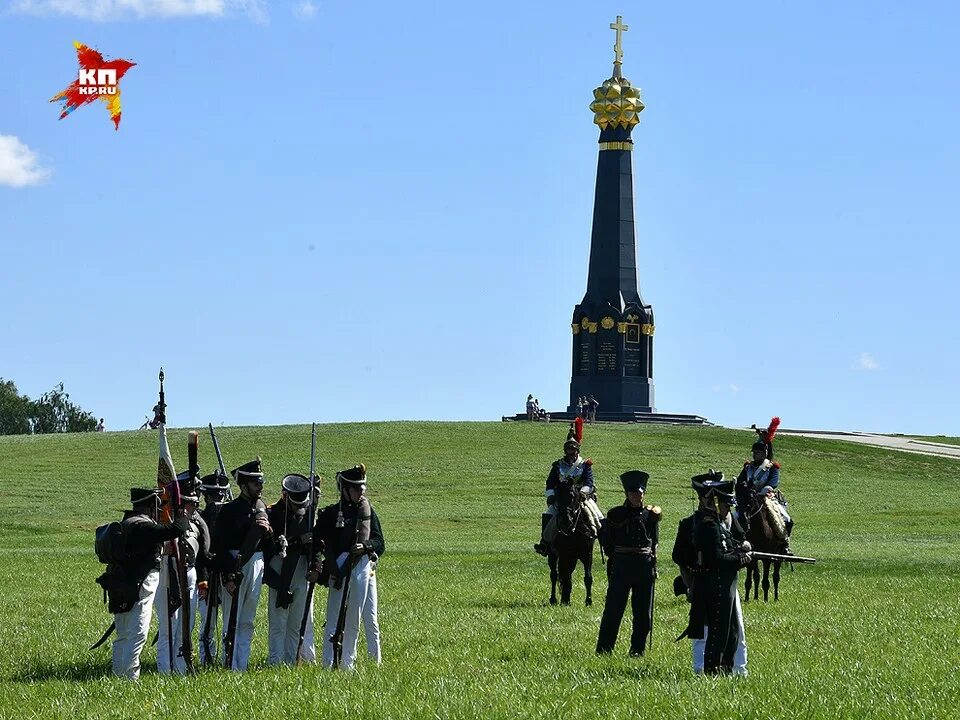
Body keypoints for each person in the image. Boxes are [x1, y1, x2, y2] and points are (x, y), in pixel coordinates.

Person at [107, 488, 189, 680]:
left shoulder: (129, 523)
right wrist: (181, 513)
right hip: (139, 585)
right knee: (138, 633)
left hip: (124, 584)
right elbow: (176, 529)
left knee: (124, 635)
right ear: (151, 505)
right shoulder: (141, 526)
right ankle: (130, 678)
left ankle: (118, 675)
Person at [311, 464, 385, 670]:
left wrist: (367, 545)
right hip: (338, 568)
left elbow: (380, 542)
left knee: (362, 619)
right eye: (356, 488)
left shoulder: (369, 513)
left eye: (362, 488)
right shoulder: (330, 514)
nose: (361, 492)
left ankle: (358, 664)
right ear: (345, 490)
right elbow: (318, 542)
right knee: (333, 617)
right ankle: (329, 662)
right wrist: (320, 566)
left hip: (362, 565)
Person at [678, 470, 751, 676]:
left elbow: (732, 541)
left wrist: (741, 548)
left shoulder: (724, 521)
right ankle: (704, 670)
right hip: (706, 580)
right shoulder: (696, 523)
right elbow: (681, 555)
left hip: (725, 580)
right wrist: (697, 566)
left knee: (734, 630)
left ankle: (736, 669)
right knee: (707, 632)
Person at [211, 457, 273, 671]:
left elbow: (268, 545)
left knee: (247, 619)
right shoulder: (228, 511)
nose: (260, 487)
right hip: (235, 565)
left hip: (257, 563)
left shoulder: (262, 508)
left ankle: (242, 663)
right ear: (244, 485)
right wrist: (228, 576)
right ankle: (229, 663)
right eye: (256, 483)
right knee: (232, 618)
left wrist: (268, 533)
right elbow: (219, 547)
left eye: (261, 482)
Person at [596, 470, 660, 656]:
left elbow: (654, 542)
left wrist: (653, 563)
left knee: (643, 615)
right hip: (622, 566)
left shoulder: (651, 515)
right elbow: (607, 541)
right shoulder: (615, 514)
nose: (636, 496)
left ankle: (637, 650)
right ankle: (604, 649)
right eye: (633, 493)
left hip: (644, 566)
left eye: (639, 493)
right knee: (613, 610)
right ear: (626, 494)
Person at [154, 473, 210, 674]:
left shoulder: (196, 522)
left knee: (187, 625)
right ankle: (164, 668)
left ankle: (180, 667)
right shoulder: (162, 521)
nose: (194, 507)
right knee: (169, 625)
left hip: (189, 572)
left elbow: (203, 552)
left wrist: (203, 580)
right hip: (167, 574)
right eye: (191, 503)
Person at [264, 473, 318, 665]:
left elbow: (316, 543)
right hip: (280, 568)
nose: (299, 507)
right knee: (278, 621)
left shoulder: (309, 512)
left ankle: (291, 659)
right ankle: (275, 660)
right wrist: (297, 541)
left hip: (301, 567)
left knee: (296, 622)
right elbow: (271, 546)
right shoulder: (273, 513)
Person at [533, 436, 598, 556]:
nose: (571, 452)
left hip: (581, 497)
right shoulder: (558, 465)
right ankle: (544, 543)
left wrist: (583, 492)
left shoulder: (585, 465)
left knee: (597, 515)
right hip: (562, 498)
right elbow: (550, 482)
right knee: (549, 514)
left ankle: (605, 541)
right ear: (565, 451)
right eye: (569, 449)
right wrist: (551, 495)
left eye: (573, 449)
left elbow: (589, 482)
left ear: (577, 451)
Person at [736, 432, 793, 549]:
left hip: (766, 497)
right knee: (734, 517)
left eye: (759, 452)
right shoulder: (747, 467)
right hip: (748, 498)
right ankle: (736, 542)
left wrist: (762, 492)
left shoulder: (771, 467)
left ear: (765, 453)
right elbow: (740, 481)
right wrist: (745, 487)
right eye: (755, 452)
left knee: (786, 519)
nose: (756, 454)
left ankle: (784, 544)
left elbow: (773, 483)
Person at [196, 470, 230, 665]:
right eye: (214, 494)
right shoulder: (200, 518)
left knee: (228, 621)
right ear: (205, 496)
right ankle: (206, 658)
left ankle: (228, 656)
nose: (218, 498)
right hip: (207, 575)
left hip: (226, 574)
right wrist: (203, 579)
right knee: (207, 624)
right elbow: (200, 554)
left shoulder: (229, 515)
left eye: (221, 494)